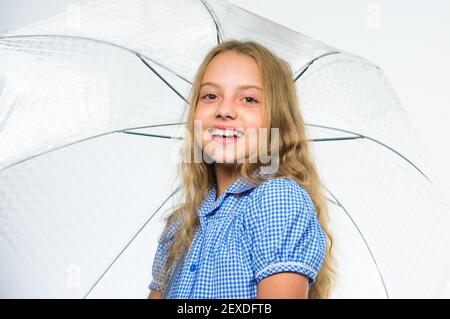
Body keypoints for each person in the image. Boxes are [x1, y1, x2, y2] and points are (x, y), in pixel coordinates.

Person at [148, 40, 336, 299]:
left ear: (276, 119)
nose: (224, 111)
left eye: (249, 99)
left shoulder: (277, 200)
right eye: (210, 96)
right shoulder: (178, 226)